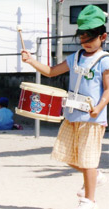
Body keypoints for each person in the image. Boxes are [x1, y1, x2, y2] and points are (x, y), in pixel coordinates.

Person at [21, 5, 109, 209]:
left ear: (103, 37)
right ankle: (95, 176)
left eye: (90, 39)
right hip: (71, 115)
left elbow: (107, 90)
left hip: (92, 118)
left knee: (87, 160)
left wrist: (99, 106)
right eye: (82, 38)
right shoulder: (75, 57)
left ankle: (89, 201)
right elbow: (51, 72)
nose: (85, 43)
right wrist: (31, 61)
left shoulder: (105, 61)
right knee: (64, 154)